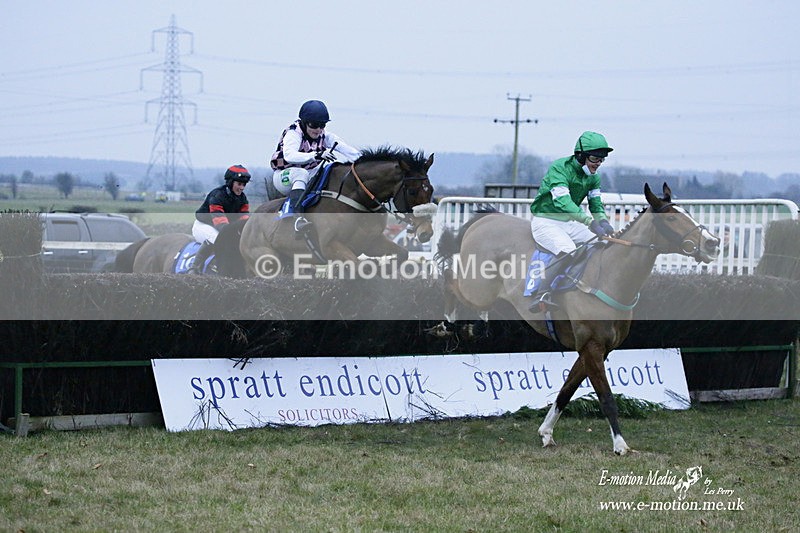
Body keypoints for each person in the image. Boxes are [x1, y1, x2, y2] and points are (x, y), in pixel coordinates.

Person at [528, 131, 616, 309]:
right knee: (568, 250)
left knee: (602, 244)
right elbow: (563, 201)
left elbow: (596, 204)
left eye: (601, 159)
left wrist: (603, 221)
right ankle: (541, 294)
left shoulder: (594, 177)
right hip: (546, 221)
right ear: (580, 156)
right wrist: (589, 222)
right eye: (594, 158)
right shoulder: (559, 168)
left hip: (569, 223)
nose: (598, 164)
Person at [270, 100, 361, 233]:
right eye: (314, 125)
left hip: (307, 175)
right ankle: (297, 218)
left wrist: (365, 162)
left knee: (332, 169)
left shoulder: (326, 136)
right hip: (284, 177)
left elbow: (348, 150)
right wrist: (316, 155)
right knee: (301, 173)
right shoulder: (293, 133)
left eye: (322, 125)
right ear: (304, 122)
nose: (318, 129)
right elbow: (289, 155)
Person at [191, 164, 251, 273]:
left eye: (244, 185)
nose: (242, 188)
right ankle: (194, 269)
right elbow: (221, 224)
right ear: (230, 182)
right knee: (219, 239)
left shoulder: (243, 198)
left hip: (225, 227)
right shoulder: (217, 195)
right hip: (204, 226)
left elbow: (244, 220)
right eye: (239, 184)